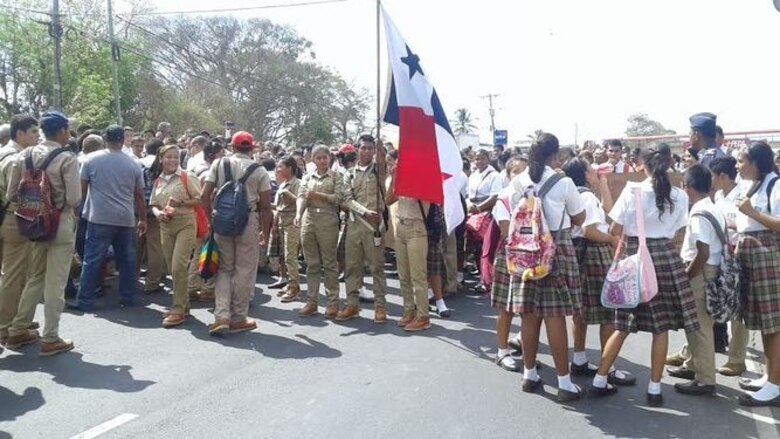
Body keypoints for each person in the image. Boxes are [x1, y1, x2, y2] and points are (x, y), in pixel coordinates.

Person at [589, 143, 696, 407]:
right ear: (670, 161)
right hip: (667, 260)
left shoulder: (633, 190)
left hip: (636, 258)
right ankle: (655, 388)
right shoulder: (680, 195)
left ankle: (600, 379)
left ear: (642, 164)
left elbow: (615, 229)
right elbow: (679, 229)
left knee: (622, 325)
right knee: (661, 329)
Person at [505, 133, 585, 402]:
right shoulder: (564, 182)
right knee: (555, 316)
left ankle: (529, 375)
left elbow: (509, 212)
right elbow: (579, 217)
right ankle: (564, 383)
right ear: (555, 156)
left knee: (528, 315)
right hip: (556, 248)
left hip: (525, 251)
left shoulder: (518, 180)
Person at [6, 111, 82, 356]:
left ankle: (17, 329)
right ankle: (50, 337)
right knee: (55, 283)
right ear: (61, 131)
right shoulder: (66, 158)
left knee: (35, 277)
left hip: (32, 224)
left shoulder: (24, 155)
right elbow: (73, 198)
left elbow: (10, 195)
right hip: (59, 224)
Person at [560, 158, 635, 386]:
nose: (596, 171)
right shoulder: (586, 198)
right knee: (608, 312)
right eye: (592, 170)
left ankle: (580, 358)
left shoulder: (575, 195)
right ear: (584, 175)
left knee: (580, 310)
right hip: (594, 253)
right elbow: (591, 230)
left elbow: (607, 211)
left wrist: (602, 183)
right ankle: (608, 366)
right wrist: (612, 239)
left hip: (579, 254)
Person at [202, 131, 273, 335]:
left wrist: (210, 221)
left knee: (224, 269)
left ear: (232, 147)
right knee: (244, 270)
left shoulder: (218, 164)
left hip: (222, 221)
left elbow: (204, 195)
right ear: (251, 149)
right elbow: (266, 206)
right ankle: (238, 318)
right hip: (247, 221)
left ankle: (221, 316)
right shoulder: (259, 170)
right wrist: (265, 233)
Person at [70, 125, 147, 311]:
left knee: (92, 259)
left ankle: (85, 300)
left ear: (105, 139)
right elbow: (139, 195)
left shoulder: (90, 160)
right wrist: (143, 218)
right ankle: (127, 298)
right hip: (125, 218)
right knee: (127, 260)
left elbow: (81, 190)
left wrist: (76, 213)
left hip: (99, 218)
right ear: (123, 140)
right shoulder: (134, 164)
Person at [667, 164, 725, 396]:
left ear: (687, 187)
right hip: (711, 271)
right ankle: (692, 365)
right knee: (699, 324)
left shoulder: (699, 213)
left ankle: (705, 380)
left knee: (699, 327)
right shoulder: (713, 207)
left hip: (700, 272)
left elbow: (702, 252)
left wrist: (687, 275)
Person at [733, 141, 780, 406]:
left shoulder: (775, 184)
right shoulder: (757, 183)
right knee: (765, 321)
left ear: (755, 162)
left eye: (741, 161)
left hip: (767, 256)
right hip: (752, 254)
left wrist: (753, 212)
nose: (738, 166)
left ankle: (775, 385)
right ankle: (769, 376)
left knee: (774, 324)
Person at [149, 145, 202, 327]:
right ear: (161, 159)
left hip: (185, 223)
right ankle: (184, 304)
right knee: (172, 268)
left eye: (176, 157)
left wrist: (181, 202)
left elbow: (199, 199)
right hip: (165, 225)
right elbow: (154, 204)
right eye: (169, 157)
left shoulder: (187, 176)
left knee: (179, 265)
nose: (172, 160)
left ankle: (178, 308)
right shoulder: (158, 181)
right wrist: (157, 214)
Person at [338, 135, 388, 323]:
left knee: (377, 267)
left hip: (374, 226)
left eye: (370, 148)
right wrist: (364, 211)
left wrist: (381, 147)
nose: (366, 151)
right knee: (352, 267)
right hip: (354, 224)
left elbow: (383, 161)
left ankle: (380, 307)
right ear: (357, 150)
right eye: (363, 148)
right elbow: (345, 198)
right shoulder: (349, 174)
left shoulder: (378, 170)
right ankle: (352, 305)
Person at [295, 145, 350, 318]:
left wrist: (319, 196)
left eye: (325, 157)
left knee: (329, 263)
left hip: (328, 220)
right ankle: (312, 302)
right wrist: (298, 214)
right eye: (318, 158)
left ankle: (333, 302)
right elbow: (302, 196)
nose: (322, 161)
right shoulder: (307, 176)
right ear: (313, 159)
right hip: (309, 219)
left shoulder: (336, 176)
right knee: (311, 264)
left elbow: (339, 198)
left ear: (329, 158)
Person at [0, 115, 39, 348]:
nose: (37, 136)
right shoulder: (17, 158)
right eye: (33, 132)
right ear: (20, 134)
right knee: (14, 274)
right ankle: (6, 328)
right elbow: (16, 195)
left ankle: (17, 319)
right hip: (14, 219)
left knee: (13, 273)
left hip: (4, 218)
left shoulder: (3, 152)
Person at [490, 157, 531, 371]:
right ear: (507, 175)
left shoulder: (534, 196)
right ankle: (501, 351)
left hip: (532, 257)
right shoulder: (503, 199)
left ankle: (528, 350)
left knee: (528, 309)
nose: (521, 175)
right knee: (506, 308)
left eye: (525, 170)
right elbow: (507, 230)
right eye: (516, 171)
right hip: (510, 256)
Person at [386, 161, 432, 332]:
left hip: (417, 228)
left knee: (417, 275)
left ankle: (423, 315)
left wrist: (405, 179)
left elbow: (423, 196)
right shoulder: (400, 181)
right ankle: (409, 310)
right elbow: (389, 200)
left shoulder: (423, 181)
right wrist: (394, 180)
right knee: (403, 274)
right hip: (402, 227)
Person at [187, 141, 224, 302]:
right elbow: (207, 197)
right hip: (205, 215)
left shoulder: (195, 167)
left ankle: (191, 286)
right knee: (207, 251)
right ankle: (207, 288)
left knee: (197, 252)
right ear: (213, 155)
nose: (223, 157)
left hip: (195, 213)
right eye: (221, 154)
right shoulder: (209, 172)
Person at [465, 149, 503, 292]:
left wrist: (480, 208)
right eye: (476, 159)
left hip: (487, 214)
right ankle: (482, 276)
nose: (478, 162)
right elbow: (469, 194)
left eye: (481, 159)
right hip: (473, 214)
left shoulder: (495, 176)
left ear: (488, 159)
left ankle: (488, 279)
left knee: (487, 247)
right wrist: (470, 206)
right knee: (475, 247)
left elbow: (495, 196)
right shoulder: (474, 175)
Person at [137, 139, 165, 293]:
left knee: (136, 247)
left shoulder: (137, 163)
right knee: (155, 248)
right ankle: (152, 282)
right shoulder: (164, 166)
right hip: (156, 210)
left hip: (138, 210)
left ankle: (132, 279)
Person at [273, 157, 302, 303]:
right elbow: (278, 206)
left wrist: (288, 194)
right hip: (282, 222)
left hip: (292, 222)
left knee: (291, 256)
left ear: (290, 168)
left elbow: (301, 202)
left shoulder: (297, 183)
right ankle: (290, 283)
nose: (278, 170)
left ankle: (294, 287)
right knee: (285, 255)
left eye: (281, 166)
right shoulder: (282, 184)